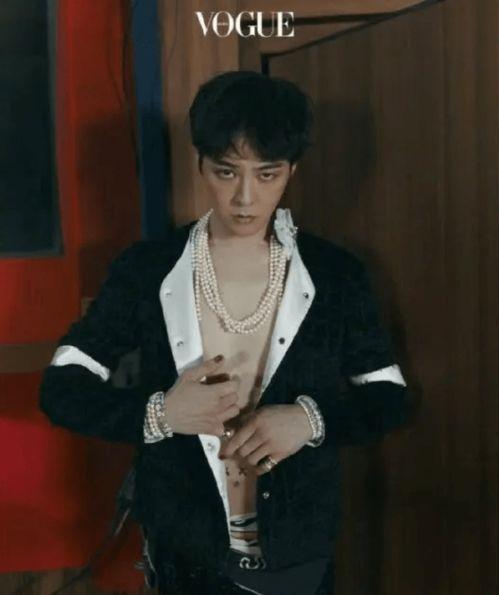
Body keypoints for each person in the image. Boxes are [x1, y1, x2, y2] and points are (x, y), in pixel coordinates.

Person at [39, 70, 410, 595]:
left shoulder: (336, 274)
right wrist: (160, 414)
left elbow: (390, 397)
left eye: (267, 174)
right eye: (226, 171)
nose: (244, 197)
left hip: (299, 552)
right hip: (184, 553)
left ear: (292, 171)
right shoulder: (147, 270)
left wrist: (310, 421)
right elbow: (61, 388)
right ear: (200, 165)